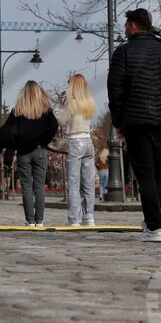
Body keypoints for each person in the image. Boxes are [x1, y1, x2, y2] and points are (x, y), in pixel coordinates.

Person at [108, 8, 161, 242]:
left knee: (144, 176)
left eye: (126, 25)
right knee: (156, 175)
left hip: (136, 123)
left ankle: (154, 227)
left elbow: (115, 91)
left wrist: (119, 122)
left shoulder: (123, 53)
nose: (124, 29)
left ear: (133, 25)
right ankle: (152, 222)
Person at [0, 81, 59, 226]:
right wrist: (43, 141)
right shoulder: (45, 109)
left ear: (24, 92)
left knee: (26, 187)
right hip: (40, 151)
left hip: (23, 153)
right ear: (39, 92)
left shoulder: (18, 110)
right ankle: (39, 221)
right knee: (39, 187)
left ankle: (30, 221)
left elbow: (6, 129)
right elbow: (54, 126)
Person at [58, 74, 97, 226]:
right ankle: (89, 215)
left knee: (73, 182)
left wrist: (59, 104)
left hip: (75, 142)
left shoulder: (71, 103)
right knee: (88, 182)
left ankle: (75, 218)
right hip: (88, 142)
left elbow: (61, 120)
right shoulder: (89, 102)